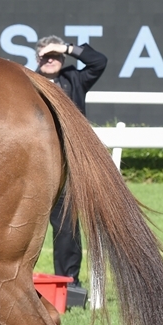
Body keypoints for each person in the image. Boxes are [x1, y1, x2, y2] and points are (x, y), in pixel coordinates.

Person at [35, 35, 108, 288]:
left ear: (63, 58)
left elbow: (99, 62)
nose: (50, 59)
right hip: (32, 165)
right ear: (37, 59)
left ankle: (67, 282)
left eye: (55, 55)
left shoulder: (74, 79)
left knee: (67, 227)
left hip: (67, 166)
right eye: (45, 56)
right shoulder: (24, 82)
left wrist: (64, 47)